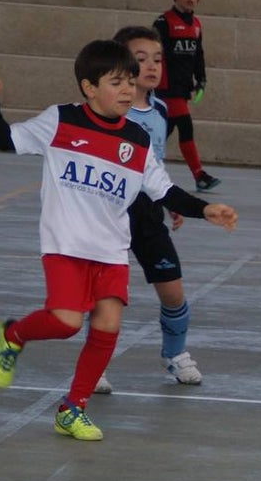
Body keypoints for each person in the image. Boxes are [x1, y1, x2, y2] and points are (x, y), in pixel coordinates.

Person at [0, 40, 237, 441]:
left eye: (131, 81)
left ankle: (72, 408)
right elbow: (5, 139)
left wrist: (205, 210)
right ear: (89, 88)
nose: (128, 90)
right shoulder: (61, 120)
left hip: (110, 250)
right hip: (65, 245)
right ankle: (12, 335)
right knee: (65, 323)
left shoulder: (138, 140)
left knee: (108, 326)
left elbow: (164, 191)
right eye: (117, 82)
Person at [91, 26, 213, 395]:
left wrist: (169, 200)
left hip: (148, 210)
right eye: (140, 59)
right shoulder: (110, 111)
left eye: (157, 59)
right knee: (106, 296)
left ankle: (175, 353)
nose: (151, 66)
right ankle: (95, 364)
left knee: (173, 291)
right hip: (112, 209)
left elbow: (154, 164)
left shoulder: (160, 110)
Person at [153, 0, 220, 192]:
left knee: (164, 131)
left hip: (182, 88)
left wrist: (201, 78)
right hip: (166, 87)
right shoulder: (164, 22)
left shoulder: (196, 25)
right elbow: (153, 52)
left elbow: (197, 55)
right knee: (184, 127)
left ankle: (144, 163)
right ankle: (199, 175)